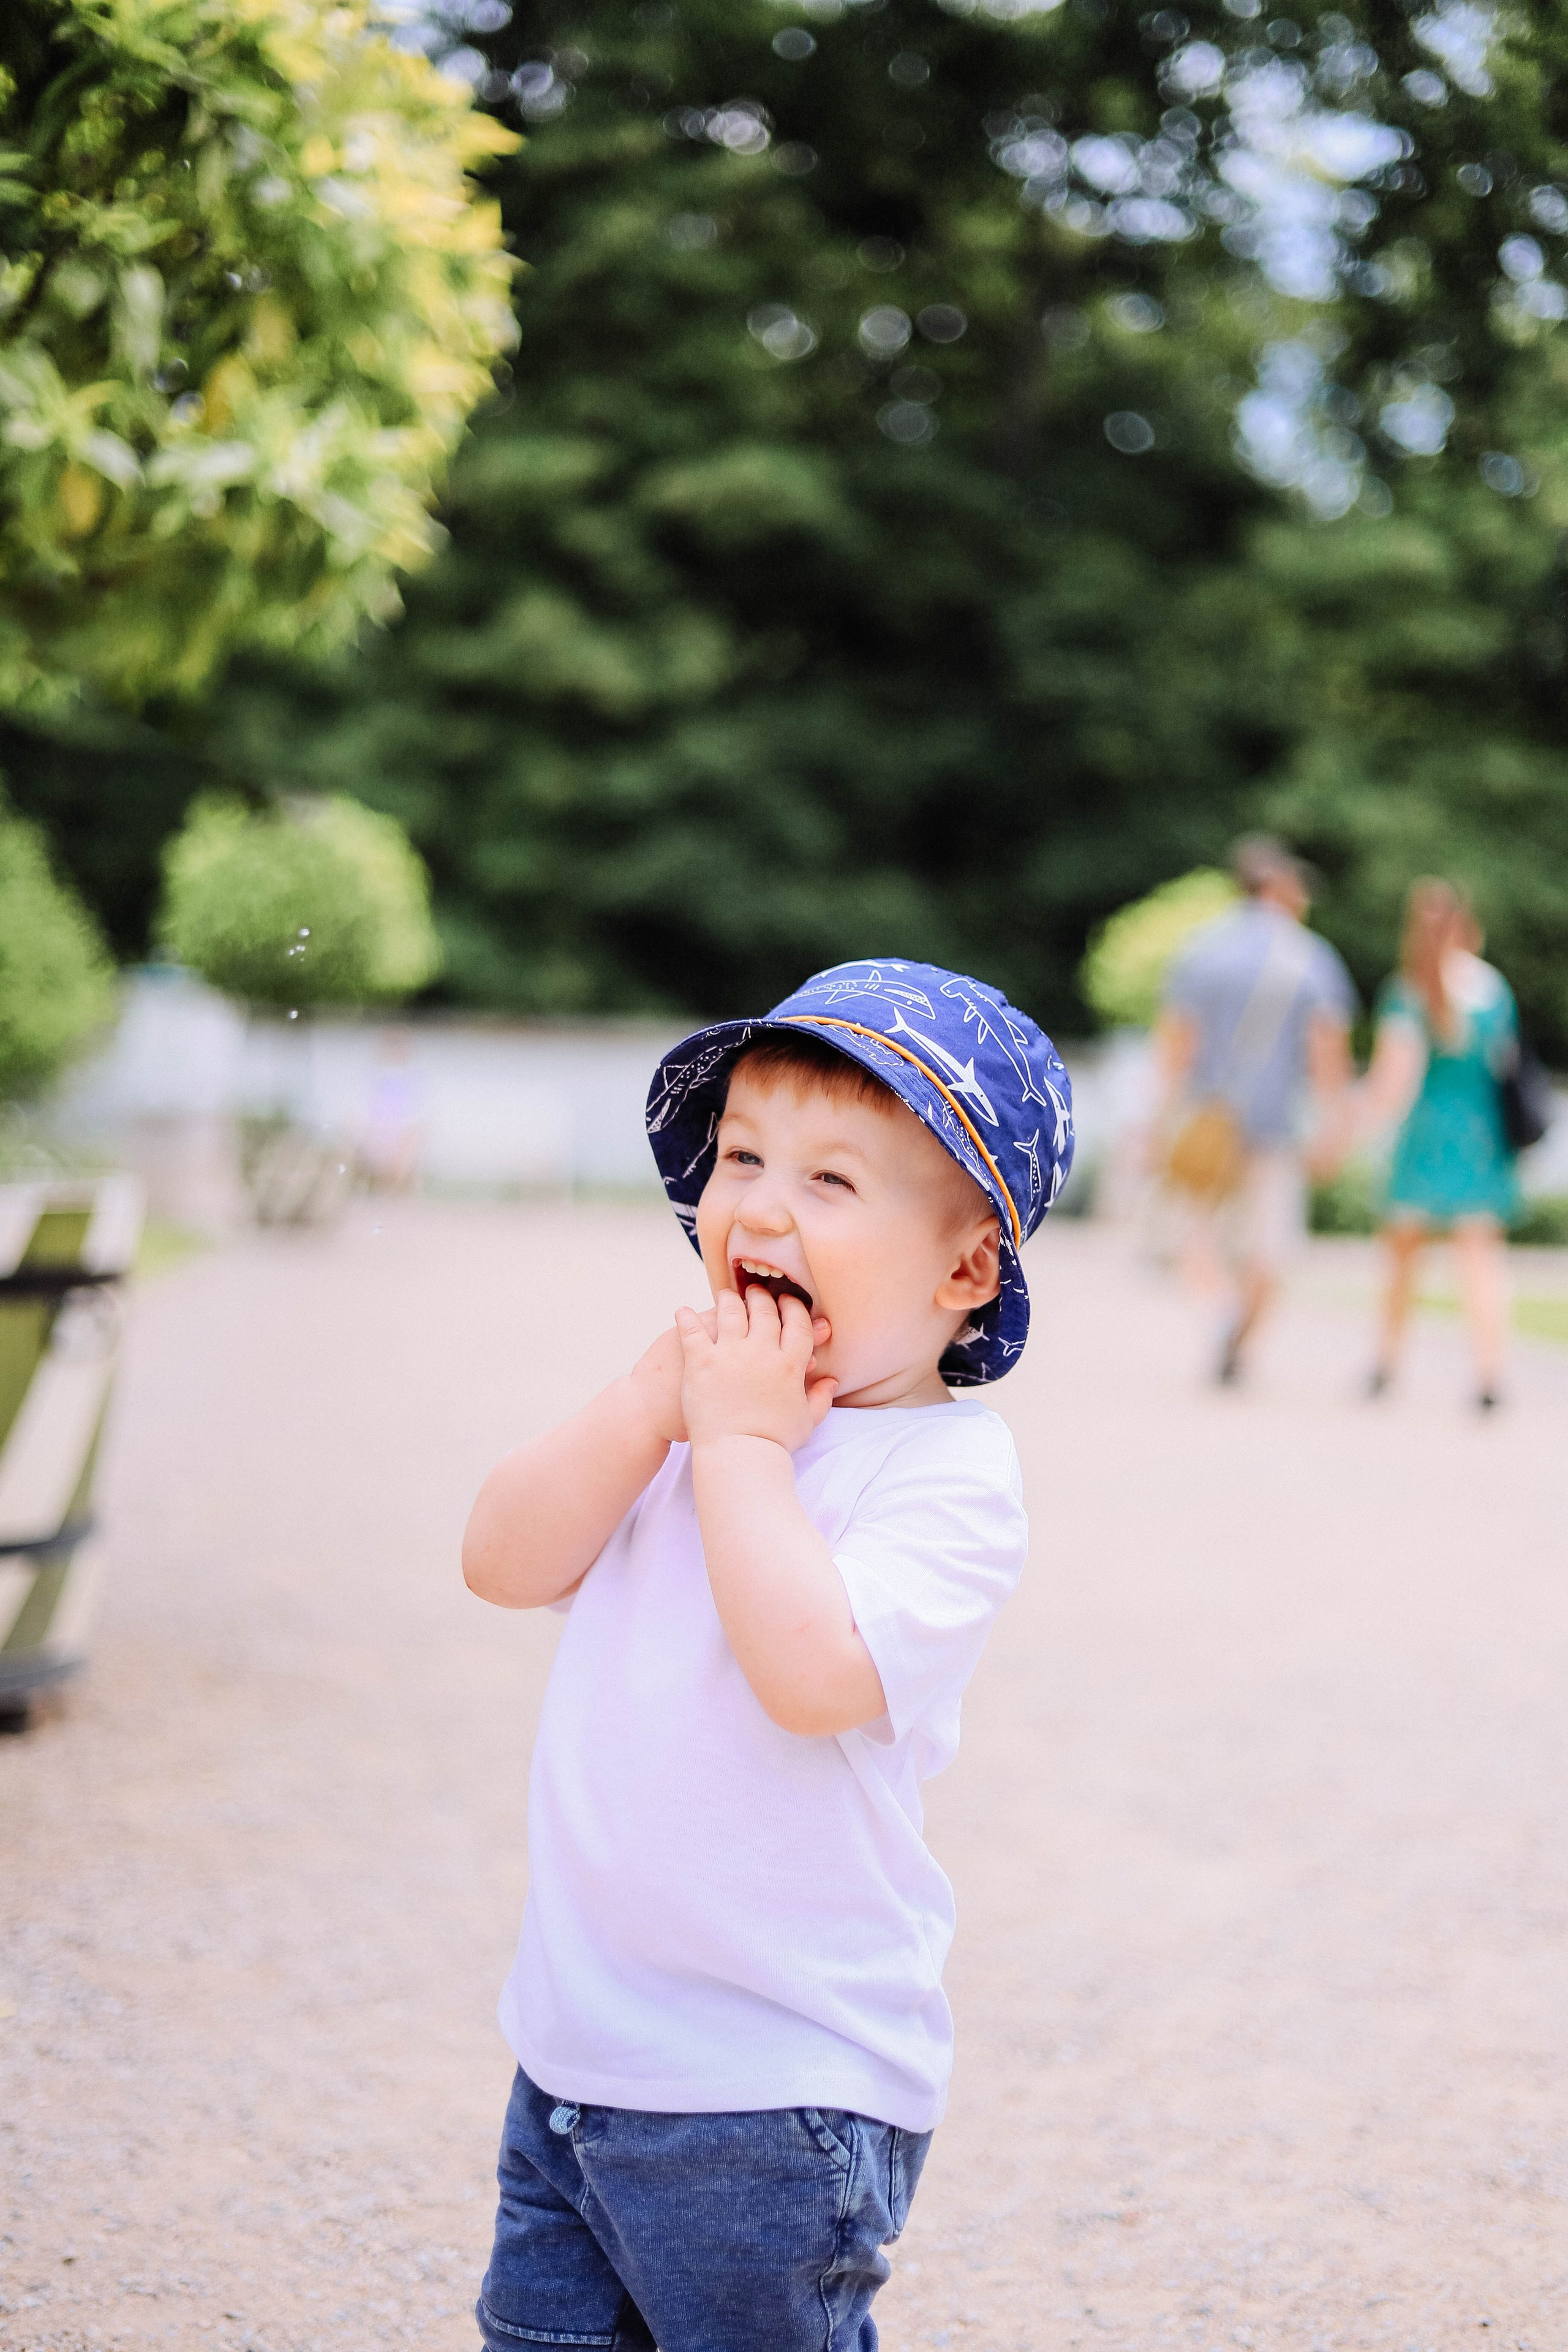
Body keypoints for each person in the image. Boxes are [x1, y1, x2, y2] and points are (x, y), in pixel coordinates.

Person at [461, 959, 1074, 2352]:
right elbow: (501, 1561)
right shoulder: (688, 1418)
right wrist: (648, 1404)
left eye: (830, 1180)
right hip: (570, 2053)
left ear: (963, 1269)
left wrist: (737, 1442)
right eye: (741, 1156)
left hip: (774, 2089)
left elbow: (812, 1677)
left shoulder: (943, 1475)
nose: (760, 1206)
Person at [1153, 835, 1356, 1384]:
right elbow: (1327, 1054)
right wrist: (1336, 1127)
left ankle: (1221, 1316)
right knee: (1271, 1249)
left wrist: (1160, 1121)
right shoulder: (1313, 959)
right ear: (1282, 889)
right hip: (1276, 1128)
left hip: (1208, 1124)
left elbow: (1177, 1045)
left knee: (1194, 1235)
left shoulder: (1202, 951)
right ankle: (1239, 1332)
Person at [1357, 880, 1518, 1410]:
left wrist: (1359, 1126)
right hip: (1480, 1136)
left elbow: (1394, 1082)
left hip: (1425, 1135)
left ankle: (1386, 1361)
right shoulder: (1491, 990)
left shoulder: (1408, 992)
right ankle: (1489, 1373)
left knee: (1403, 1260)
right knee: (1480, 1262)